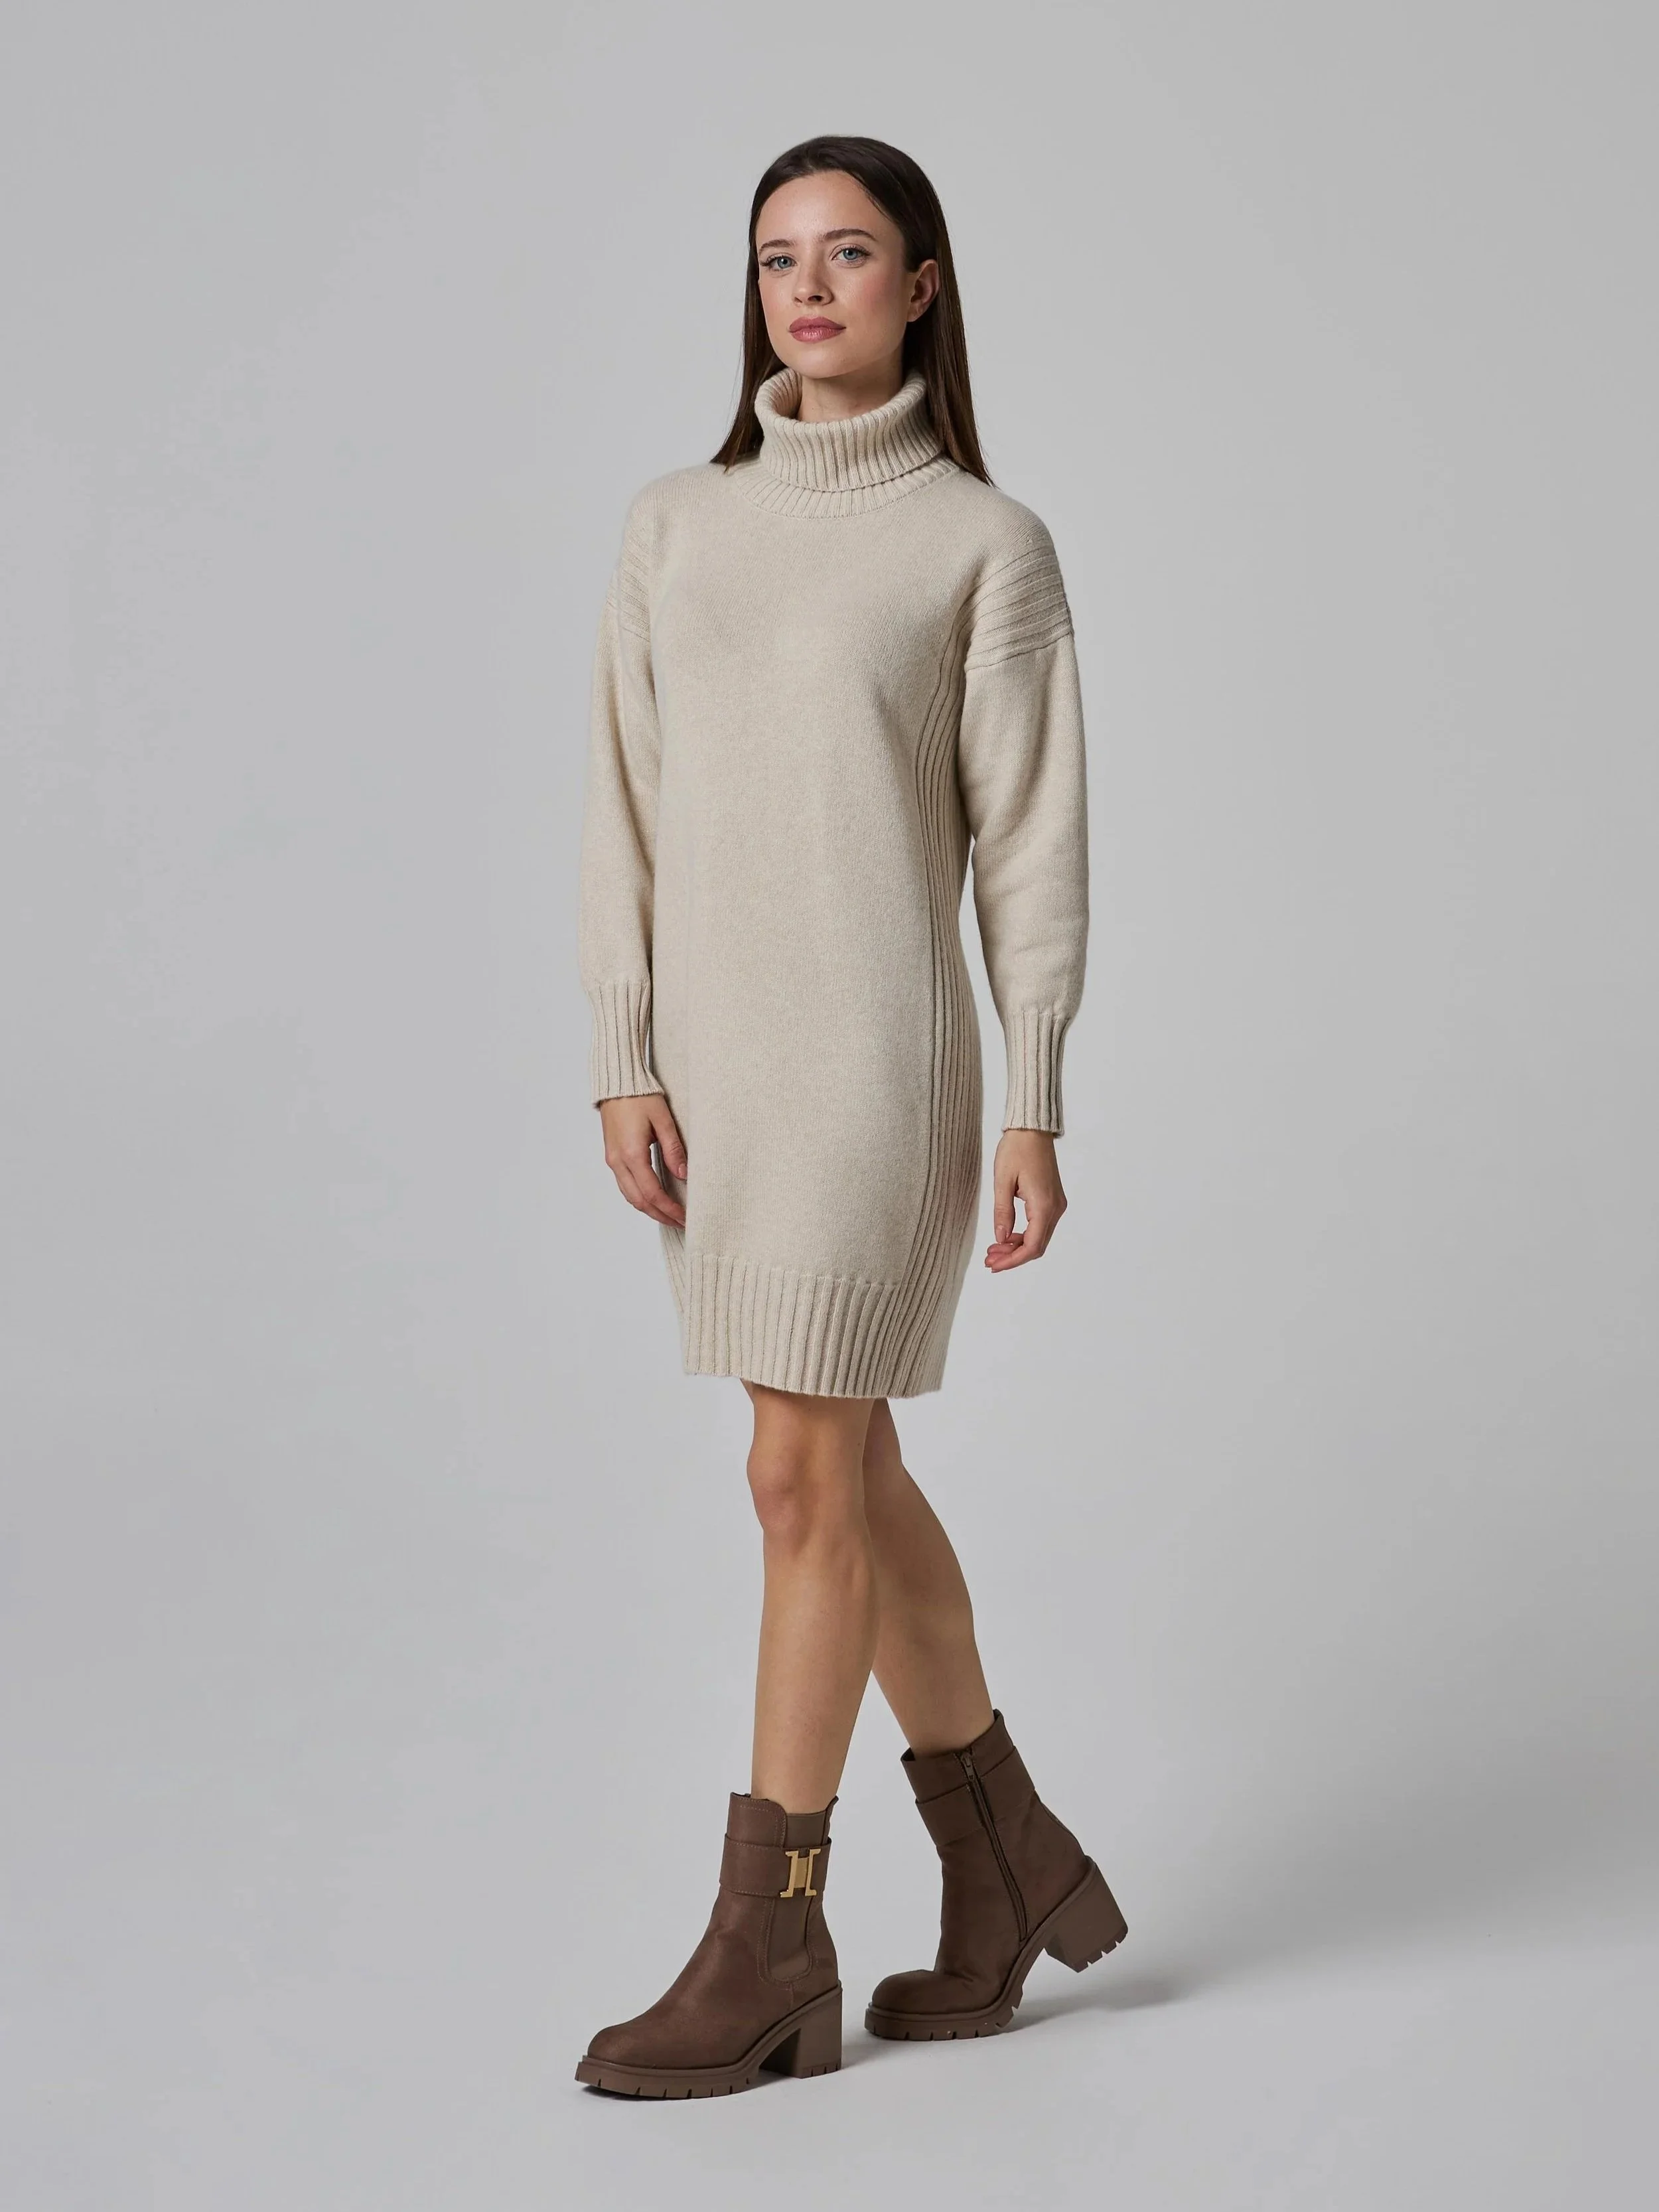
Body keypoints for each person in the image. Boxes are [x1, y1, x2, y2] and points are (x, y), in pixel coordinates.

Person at [573, 133, 1125, 2099]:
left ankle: (768, 1935)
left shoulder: (982, 544)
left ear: (922, 286)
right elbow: (624, 799)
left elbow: (1029, 844)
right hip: (716, 1073)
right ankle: (1005, 1853)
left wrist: (1033, 1096)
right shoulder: (676, 524)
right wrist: (625, 1049)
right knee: (848, 1471)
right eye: (775, 259)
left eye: (848, 254)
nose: (805, 291)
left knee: (796, 1481)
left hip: (881, 1067)